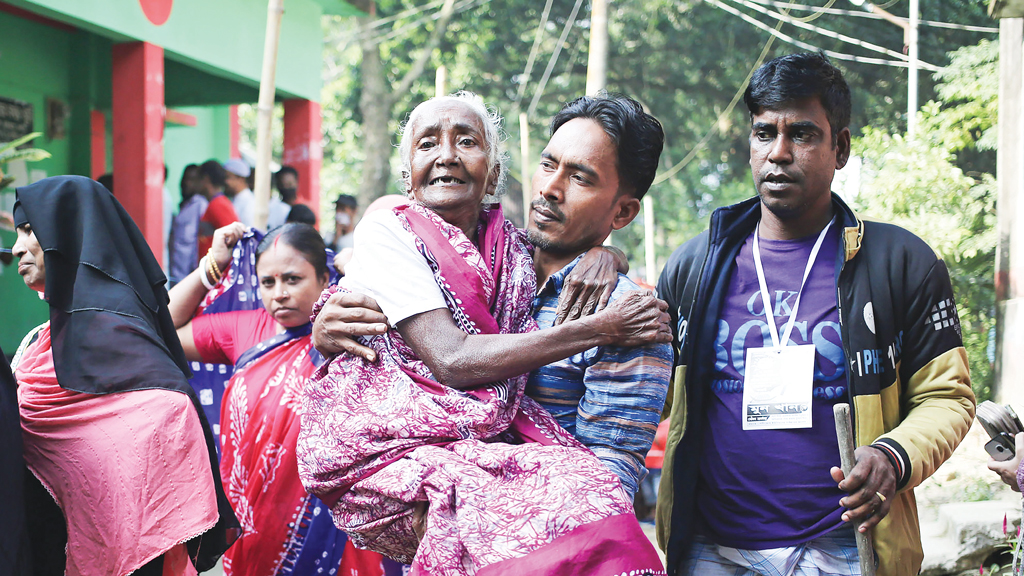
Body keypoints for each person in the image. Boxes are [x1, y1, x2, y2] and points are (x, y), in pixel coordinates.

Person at [297, 92, 670, 575]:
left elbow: (608, 478)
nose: (551, 189)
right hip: (416, 511)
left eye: (579, 177)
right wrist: (324, 325)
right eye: (549, 164)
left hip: (540, 554)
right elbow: (411, 361)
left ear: (621, 214)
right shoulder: (494, 262)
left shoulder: (629, 320)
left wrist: (608, 262)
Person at [654, 52, 975, 576]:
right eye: (764, 133)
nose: (778, 153)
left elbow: (948, 398)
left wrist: (893, 456)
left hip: (848, 548)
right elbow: (644, 398)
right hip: (712, 550)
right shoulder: (696, 266)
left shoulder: (900, 263)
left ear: (840, 147)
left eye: (801, 134)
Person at [10, 175, 238, 576]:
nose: (15, 249)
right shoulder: (40, 344)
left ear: (67, 232)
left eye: (29, 230)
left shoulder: (133, 363)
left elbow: (162, 417)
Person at [169, 222, 390, 576]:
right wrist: (211, 266)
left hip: (331, 516)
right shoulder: (244, 329)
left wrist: (355, 267)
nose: (279, 293)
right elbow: (163, 329)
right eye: (268, 283)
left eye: (293, 279)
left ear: (323, 278)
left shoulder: (351, 323)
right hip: (255, 517)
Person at [168, 163, 209, 285]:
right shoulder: (185, 206)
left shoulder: (200, 205)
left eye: (191, 180)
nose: (186, 183)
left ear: (200, 182)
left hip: (189, 274)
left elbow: (199, 239)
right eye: (184, 179)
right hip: (176, 272)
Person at [198, 159, 239, 260]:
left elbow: (234, 238)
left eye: (197, 179)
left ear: (205, 179)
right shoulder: (217, 203)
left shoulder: (218, 204)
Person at [223, 159, 254, 227]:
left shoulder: (249, 202)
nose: (225, 182)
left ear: (241, 179)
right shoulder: (234, 198)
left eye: (228, 177)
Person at [268, 165, 300, 230]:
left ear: (296, 183)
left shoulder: (304, 207)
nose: (286, 188)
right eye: (282, 185)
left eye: (289, 184)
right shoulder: (273, 209)